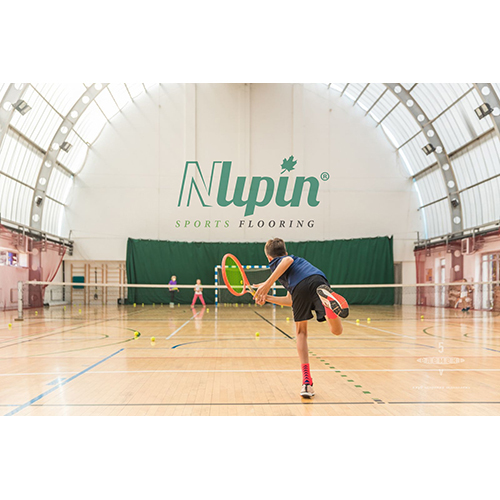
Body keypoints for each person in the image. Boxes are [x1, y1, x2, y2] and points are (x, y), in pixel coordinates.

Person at [254, 238, 349, 399]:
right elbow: (290, 300)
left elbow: (287, 261)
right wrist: (267, 297)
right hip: (318, 281)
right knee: (337, 330)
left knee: (301, 333)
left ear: (269, 258)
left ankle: (307, 381)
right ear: (284, 250)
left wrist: (267, 284)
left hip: (300, 287)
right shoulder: (300, 264)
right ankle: (329, 305)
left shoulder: (281, 261)